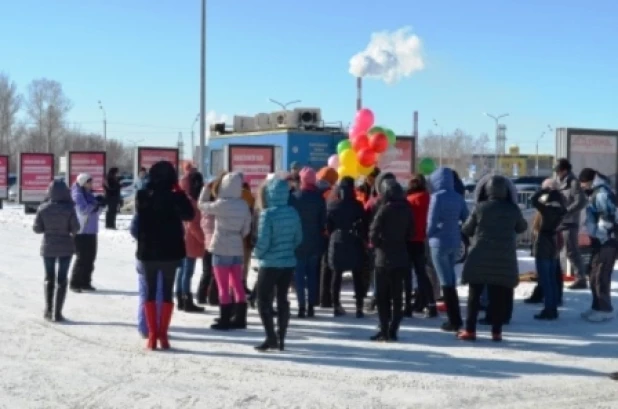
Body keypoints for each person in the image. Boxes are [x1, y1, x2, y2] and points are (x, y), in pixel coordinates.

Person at [458, 175, 528, 342]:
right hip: (504, 256)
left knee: (474, 295)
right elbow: (522, 227)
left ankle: (470, 330)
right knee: (498, 296)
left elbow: (467, 229)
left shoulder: (480, 208)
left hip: (479, 256)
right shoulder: (513, 209)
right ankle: (496, 332)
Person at [134, 161, 194, 350]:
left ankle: (152, 336)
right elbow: (189, 215)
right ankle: (163, 335)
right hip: (171, 251)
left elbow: (140, 218)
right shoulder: (176, 197)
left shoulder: (143, 195)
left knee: (150, 292)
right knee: (167, 292)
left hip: (148, 250)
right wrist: (179, 192)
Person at [253, 178, 303, 352]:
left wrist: (257, 254)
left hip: (269, 263)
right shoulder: (293, 212)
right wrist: (287, 249)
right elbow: (298, 238)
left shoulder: (268, 214)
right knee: (283, 299)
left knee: (263, 300)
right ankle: (282, 337)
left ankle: (270, 337)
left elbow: (263, 242)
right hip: (288, 263)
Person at [198, 172, 252, 330]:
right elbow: (246, 228)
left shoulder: (221, 204)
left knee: (223, 286)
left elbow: (201, 205)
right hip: (237, 247)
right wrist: (238, 235)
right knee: (237, 283)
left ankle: (225, 318)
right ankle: (240, 318)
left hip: (221, 246)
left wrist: (206, 189)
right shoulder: (243, 205)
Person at [369, 179, 414, 341]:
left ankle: (384, 329)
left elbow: (373, 234)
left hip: (383, 258)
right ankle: (394, 329)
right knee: (397, 297)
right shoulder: (407, 209)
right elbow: (411, 233)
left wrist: (380, 244)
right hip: (401, 257)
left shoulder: (384, 210)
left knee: (382, 297)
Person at [427, 167, 470, 332]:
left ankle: (454, 320)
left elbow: (431, 224)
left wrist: (429, 235)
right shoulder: (458, 198)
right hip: (454, 241)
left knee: (445, 282)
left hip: (438, 243)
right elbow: (466, 218)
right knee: (451, 279)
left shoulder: (436, 198)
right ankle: (456, 317)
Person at [33, 180, 80, 322]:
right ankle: (58, 313)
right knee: (62, 279)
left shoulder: (43, 208)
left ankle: (48, 310)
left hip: (48, 246)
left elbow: (37, 229)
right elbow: (75, 228)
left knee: (49, 278)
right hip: (66, 247)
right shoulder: (70, 209)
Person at [578, 168, 616, 322]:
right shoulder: (596, 191)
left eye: (583, 183)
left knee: (601, 274)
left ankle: (604, 309)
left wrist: (599, 235)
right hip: (599, 239)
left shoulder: (602, 193)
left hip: (607, 240)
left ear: (589, 180)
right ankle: (596, 306)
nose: (582, 186)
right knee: (594, 274)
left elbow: (608, 217)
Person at [326, 176, 367, 318]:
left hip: (336, 240)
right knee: (357, 275)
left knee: (336, 274)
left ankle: (336, 305)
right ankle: (359, 307)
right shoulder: (357, 205)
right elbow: (364, 223)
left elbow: (328, 226)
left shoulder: (332, 204)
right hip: (354, 240)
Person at [292, 167, 327, 318]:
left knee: (299, 275)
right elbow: (323, 223)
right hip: (314, 241)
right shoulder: (319, 199)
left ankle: (301, 306)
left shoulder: (294, 197)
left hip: (298, 242)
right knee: (313, 275)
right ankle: (311, 306)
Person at [530, 179, 566, 320]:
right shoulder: (561, 210)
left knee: (545, 280)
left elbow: (533, 199)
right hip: (553, 244)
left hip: (543, 244)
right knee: (552, 278)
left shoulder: (546, 210)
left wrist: (544, 190)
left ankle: (549, 310)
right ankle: (553, 307)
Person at [406, 174, 437, 318]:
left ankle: (409, 305)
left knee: (408, 274)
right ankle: (430, 304)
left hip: (410, 240)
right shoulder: (430, 198)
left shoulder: (409, 201)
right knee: (423, 274)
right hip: (425, 239)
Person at [554, 158, 587, 290]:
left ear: (565, 170)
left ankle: (581, 279)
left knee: (572, 251)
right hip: (560, 221)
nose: (557, 173)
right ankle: (557, 275)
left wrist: (567, 211)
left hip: (569, 222)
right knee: (557, 250)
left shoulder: (573, 182)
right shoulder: (560, 181)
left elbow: (581, 201)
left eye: (558, 171)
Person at [176, 168, 205, 313]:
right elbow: (193, 224)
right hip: (190, 241)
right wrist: (203, 240)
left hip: (183, 239)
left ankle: (181, 298)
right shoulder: (192, 201)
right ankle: (186, 299)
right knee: (187, 271)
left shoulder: (183, 198)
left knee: (182, 271)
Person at [131, 216, 164, 338]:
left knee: (145, 292)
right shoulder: (170, 209)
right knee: (160, 292)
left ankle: (145, 327)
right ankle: (157, 326)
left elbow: (134, 230)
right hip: (163, 256)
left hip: (144, 254)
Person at [69, 173, 103, 293]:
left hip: (91, 229)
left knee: (90, 257)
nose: (91, 184)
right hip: (81, 230)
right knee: (81, 257)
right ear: (83, 182)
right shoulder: (77, 194)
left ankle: (85, 281)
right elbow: (82, 210)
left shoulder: (89, 194)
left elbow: (96, 211)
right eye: (89, 182)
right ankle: (75, 282)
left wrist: (100, 205)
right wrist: (95, 206)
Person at [316, 167, 339, 308]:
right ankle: (325, 297)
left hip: (313, 233)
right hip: (326, 233)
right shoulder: (331, 193)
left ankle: (316, 296)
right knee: (325, 266)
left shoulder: (312, 190)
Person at [196, 180, 218, 306]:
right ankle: (213, 297)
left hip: (207, 245)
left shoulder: (205, 211)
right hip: (217, 245)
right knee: (216, 274)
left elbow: (201, 202)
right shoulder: (217, 210)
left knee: (206, 272)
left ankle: (201, 295)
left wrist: (206, 188)